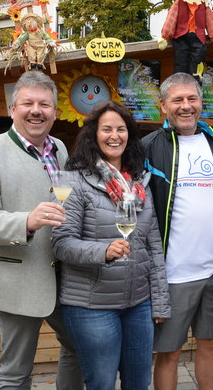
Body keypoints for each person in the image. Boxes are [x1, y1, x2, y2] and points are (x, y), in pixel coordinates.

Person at [0, 71, 83, 389]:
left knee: (79, 348)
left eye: (44, 104)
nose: (36, 110)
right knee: (16, 370)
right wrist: (26, 221)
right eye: (28, 103)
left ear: (55, 112)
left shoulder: (59, 148)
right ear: (13, 108)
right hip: (17, 277)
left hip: (62, 277)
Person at [52, 102, 170, 389]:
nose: (114, 135)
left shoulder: (140, 182)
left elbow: (153, 244)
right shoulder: (73, 180)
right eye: (107, 129)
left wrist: (160, 302)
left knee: (139, 382)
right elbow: (61, 243)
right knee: (102, 383)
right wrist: (103, 251)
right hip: (92, 306)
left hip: (139, 304)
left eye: (121, 129)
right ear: (94, 135)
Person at [143, 72, 213, 390]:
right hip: (172, 274)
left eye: (192, 98)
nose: (186, 106)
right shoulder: (149, 147)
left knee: (210, 346)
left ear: (200, 102)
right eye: (177, 100)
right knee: (169, 353)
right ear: (163, 105)